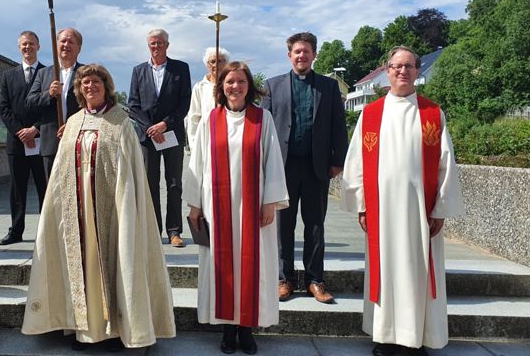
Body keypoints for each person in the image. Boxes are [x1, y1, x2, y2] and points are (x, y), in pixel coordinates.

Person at [22, 64, 176, 351]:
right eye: (85, 83)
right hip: (77, 210)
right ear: (79, 90)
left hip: (111, 209)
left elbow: (131, 171)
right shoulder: (73, 123)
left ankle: (115, 330)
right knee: (81, 264)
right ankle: (84, 329)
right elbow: (60, 170)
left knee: (114, 261)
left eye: (96, 82)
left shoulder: (121, 122)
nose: (90, 87)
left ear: (106, 87)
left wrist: (125, 208)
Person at [342, 46, 464, 356]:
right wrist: (361, 205)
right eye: (396, 66)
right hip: (381, 210)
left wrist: (440, 209)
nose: (402, 71)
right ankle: (384, 337)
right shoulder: (371, 114)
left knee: (416, 271)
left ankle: (415, 338)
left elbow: (445, 164)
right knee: (385, 270)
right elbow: (356, 162)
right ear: (387, 70)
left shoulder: (432, 114)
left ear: (417, 71)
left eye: (409, 66)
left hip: (419, 211)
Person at [183, 62, 289, 355]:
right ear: (221, 87)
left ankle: (246, 329)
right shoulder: (210, 119)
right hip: (217, 208)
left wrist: (270, 202)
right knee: (222, 267)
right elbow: (197, 163)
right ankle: (228, 329)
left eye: (241, 81)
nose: (235, 87)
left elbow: (272, 161)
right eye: (230, 81)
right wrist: (195, 205)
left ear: (249, 86)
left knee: (252, 266)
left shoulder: (262, 118)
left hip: (253, 208)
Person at [261, 32, 348, 303]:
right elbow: (262, 128)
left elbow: (338, 125)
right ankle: (283, 279)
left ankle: (315, 280)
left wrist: (338, 160)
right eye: (297, 51)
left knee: (315, 226)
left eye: (306, 51)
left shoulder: (328, 87)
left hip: (316, 167)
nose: (301, 56)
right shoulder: (272, 86)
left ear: (314, 55)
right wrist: (263, 164)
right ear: (289, 55)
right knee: (283, 227)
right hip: (283, 167)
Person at [128, 29, 192, 247]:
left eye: (160, 43)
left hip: (172, 133)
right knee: (150, 183)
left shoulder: (180, 68)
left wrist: (164, 124)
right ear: (148, 46)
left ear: (167, 45)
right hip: (148, 137)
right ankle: (153, 231)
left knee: (174, 183)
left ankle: (174, 231)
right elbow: (133, 104)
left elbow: (184, 102)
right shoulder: (138, 71)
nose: (156, 47)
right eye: (152, 43)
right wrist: (150, 128)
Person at [0, 31, 47, 245]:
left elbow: (52, 107)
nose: (28, 47)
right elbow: (4, 108)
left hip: (42, 141)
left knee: (45, 187)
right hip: (17, 143)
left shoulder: (48, 74)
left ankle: (46, 233)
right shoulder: (8, 76)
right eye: (24, 44)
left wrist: (35, 129)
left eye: (32, 44)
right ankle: (15, 231)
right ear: (19, 47)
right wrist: (20, 132)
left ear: (38, 46)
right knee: (17, 189)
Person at [25, 27, 84, 178]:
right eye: (63, 41)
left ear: (79, 48)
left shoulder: (86, 73)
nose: (66, 45)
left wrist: (73, 126)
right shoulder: (43, 73)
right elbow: (30, 102)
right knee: (52, 190)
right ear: (56, 45)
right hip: (51, 144)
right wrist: (49, 94)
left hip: (79, 143)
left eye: (71, 42)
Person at [186, 46, 228, 146]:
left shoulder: (232, 86)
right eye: (212, 61)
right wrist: (194, 144)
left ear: (226, 63)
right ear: (207, 65)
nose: (216, 65)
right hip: (206, 140)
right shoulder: (199, 87)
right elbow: (194, 118)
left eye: (220, 61)